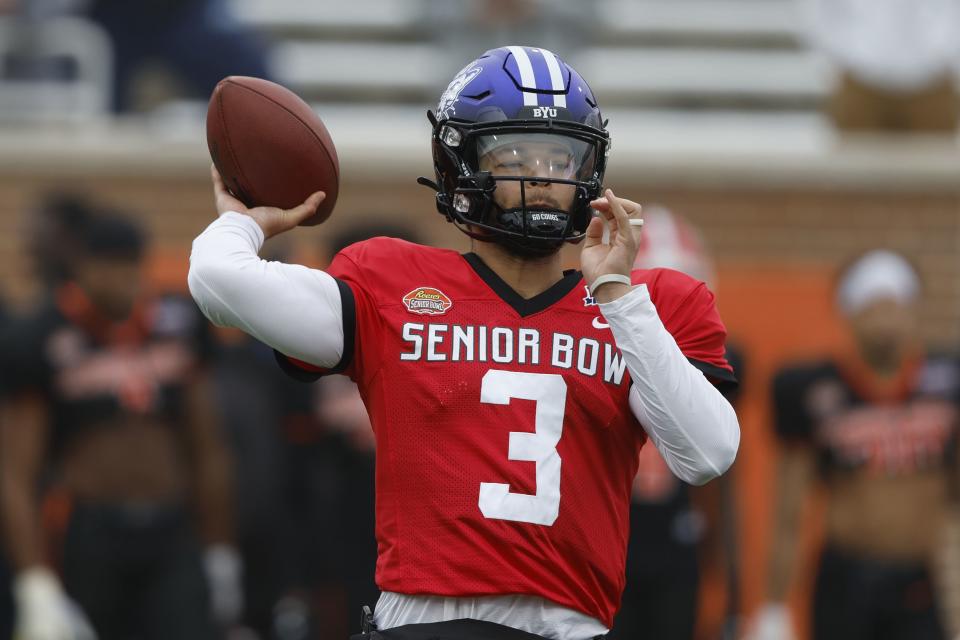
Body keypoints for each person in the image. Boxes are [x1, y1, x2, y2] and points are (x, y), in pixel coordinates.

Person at [189, 45, 740, 640]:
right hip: (428, 620)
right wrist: (247, 218)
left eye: (560, 159)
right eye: (514, 157)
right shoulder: (390, 283)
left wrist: (618, 296)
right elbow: (219, 281)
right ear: (461, 166)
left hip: (570, 627)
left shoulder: (647, 303)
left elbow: (706, 454)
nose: (540, 180)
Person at [0, 212, 241, 640]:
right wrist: (34, 579)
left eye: (130, 266)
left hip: (171, 527)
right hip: (89, 529)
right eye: (108, 266)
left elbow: (208, 447)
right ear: (83, 267)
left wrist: (219, 549)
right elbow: (16, 471)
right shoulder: (41, 334)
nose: (121, 280)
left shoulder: (177, 323)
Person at [749, 250, 957, 640]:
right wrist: (773, 606)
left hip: (917, 578)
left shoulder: (946, 386)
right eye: (872, 307)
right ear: (850, 314)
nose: (885, 321)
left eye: (893, 306)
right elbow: (789, 512)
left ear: (913, 310)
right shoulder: (816, 391)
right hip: (845, 578)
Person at [608, 207, 743, 640]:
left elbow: (721, 477)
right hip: (605, 541)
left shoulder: (721, 360)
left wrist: (731, 574)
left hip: (674, 539)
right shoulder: (588, 349)